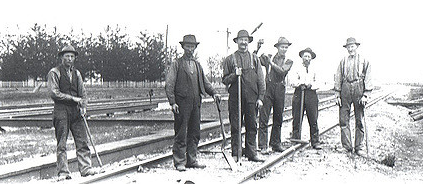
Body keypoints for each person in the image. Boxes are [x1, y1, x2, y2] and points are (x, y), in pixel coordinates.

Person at [165, 34, 221, 171]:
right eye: (188, 46)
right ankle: (179, 162)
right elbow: (169, 84)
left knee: (195, 132)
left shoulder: (197, 65)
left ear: (195, 48)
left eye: (192, 46)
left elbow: (206, 82)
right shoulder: (176, 64)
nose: (190, 49)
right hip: (182, 104)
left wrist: (214, 92)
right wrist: (172, 102)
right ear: (183, 47)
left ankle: (192, 159)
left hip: (196, 103)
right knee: (181, 133)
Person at [47, 45, 99, 180]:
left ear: (75, 58)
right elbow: (54, 93)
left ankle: (86, 168)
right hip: (61, 111)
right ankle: (63, 172)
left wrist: (84, 105)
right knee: (62, 144)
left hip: (76, 112)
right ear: (61, 57)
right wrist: (73, 98)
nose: (69, 59)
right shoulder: (54, 72)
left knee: (82, 141)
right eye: (67, 56)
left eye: (72, 56)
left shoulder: (77, 73)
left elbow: (83, 93)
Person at [222, 30, 265, 162]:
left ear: (248, 42)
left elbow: (261, 80)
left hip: (252, 98)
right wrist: (235, 74)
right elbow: (224, 80)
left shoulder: (254, 59)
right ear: (236, 42)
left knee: (252, 125)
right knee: (236, 126)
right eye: (241, 40)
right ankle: (236, 153)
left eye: (245, 40)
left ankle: (251, 153)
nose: (243, 42)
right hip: (235, 98)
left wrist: (260, 98)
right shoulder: (230, 59)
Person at [334, 37, 373, 156]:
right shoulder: (343, 61)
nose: (350, 49)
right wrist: (337, 94)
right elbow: (338, 77)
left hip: (359, 88)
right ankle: (346, 146)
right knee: (343, 119)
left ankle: (359, 147)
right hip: (345, 89)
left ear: (356, 47)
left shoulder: (364, 60)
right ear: (346, 48)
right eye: (348, 47)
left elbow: (368, 77)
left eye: (352, 46)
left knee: (359, 119)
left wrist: (366, 94)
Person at [258, 37, 293, 153]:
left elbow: (282, 71)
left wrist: (270, 63)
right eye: (282, 47)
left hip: (280, 88)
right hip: (268, 88)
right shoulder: (270, 56)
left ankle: (275, 143)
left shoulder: (289, 60)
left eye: (286, 47)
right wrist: (258, 48)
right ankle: (263, 145)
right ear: (277, 47)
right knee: (264, 116)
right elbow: (256, 60)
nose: (284, 49)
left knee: (278, 117)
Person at [290, 48, 322, 150]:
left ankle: (315, 141)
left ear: (311, 58)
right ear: (302, 57)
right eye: (305, 56)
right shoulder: (296, 68)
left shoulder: (315, 69)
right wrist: (300, 84)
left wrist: (310, 84)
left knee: (313, 118)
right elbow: (292, 81)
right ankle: (295, 139)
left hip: (311, 94)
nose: (307, 58)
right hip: (299, 93)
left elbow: (318, 82)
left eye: (309, 56)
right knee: (297, 117)